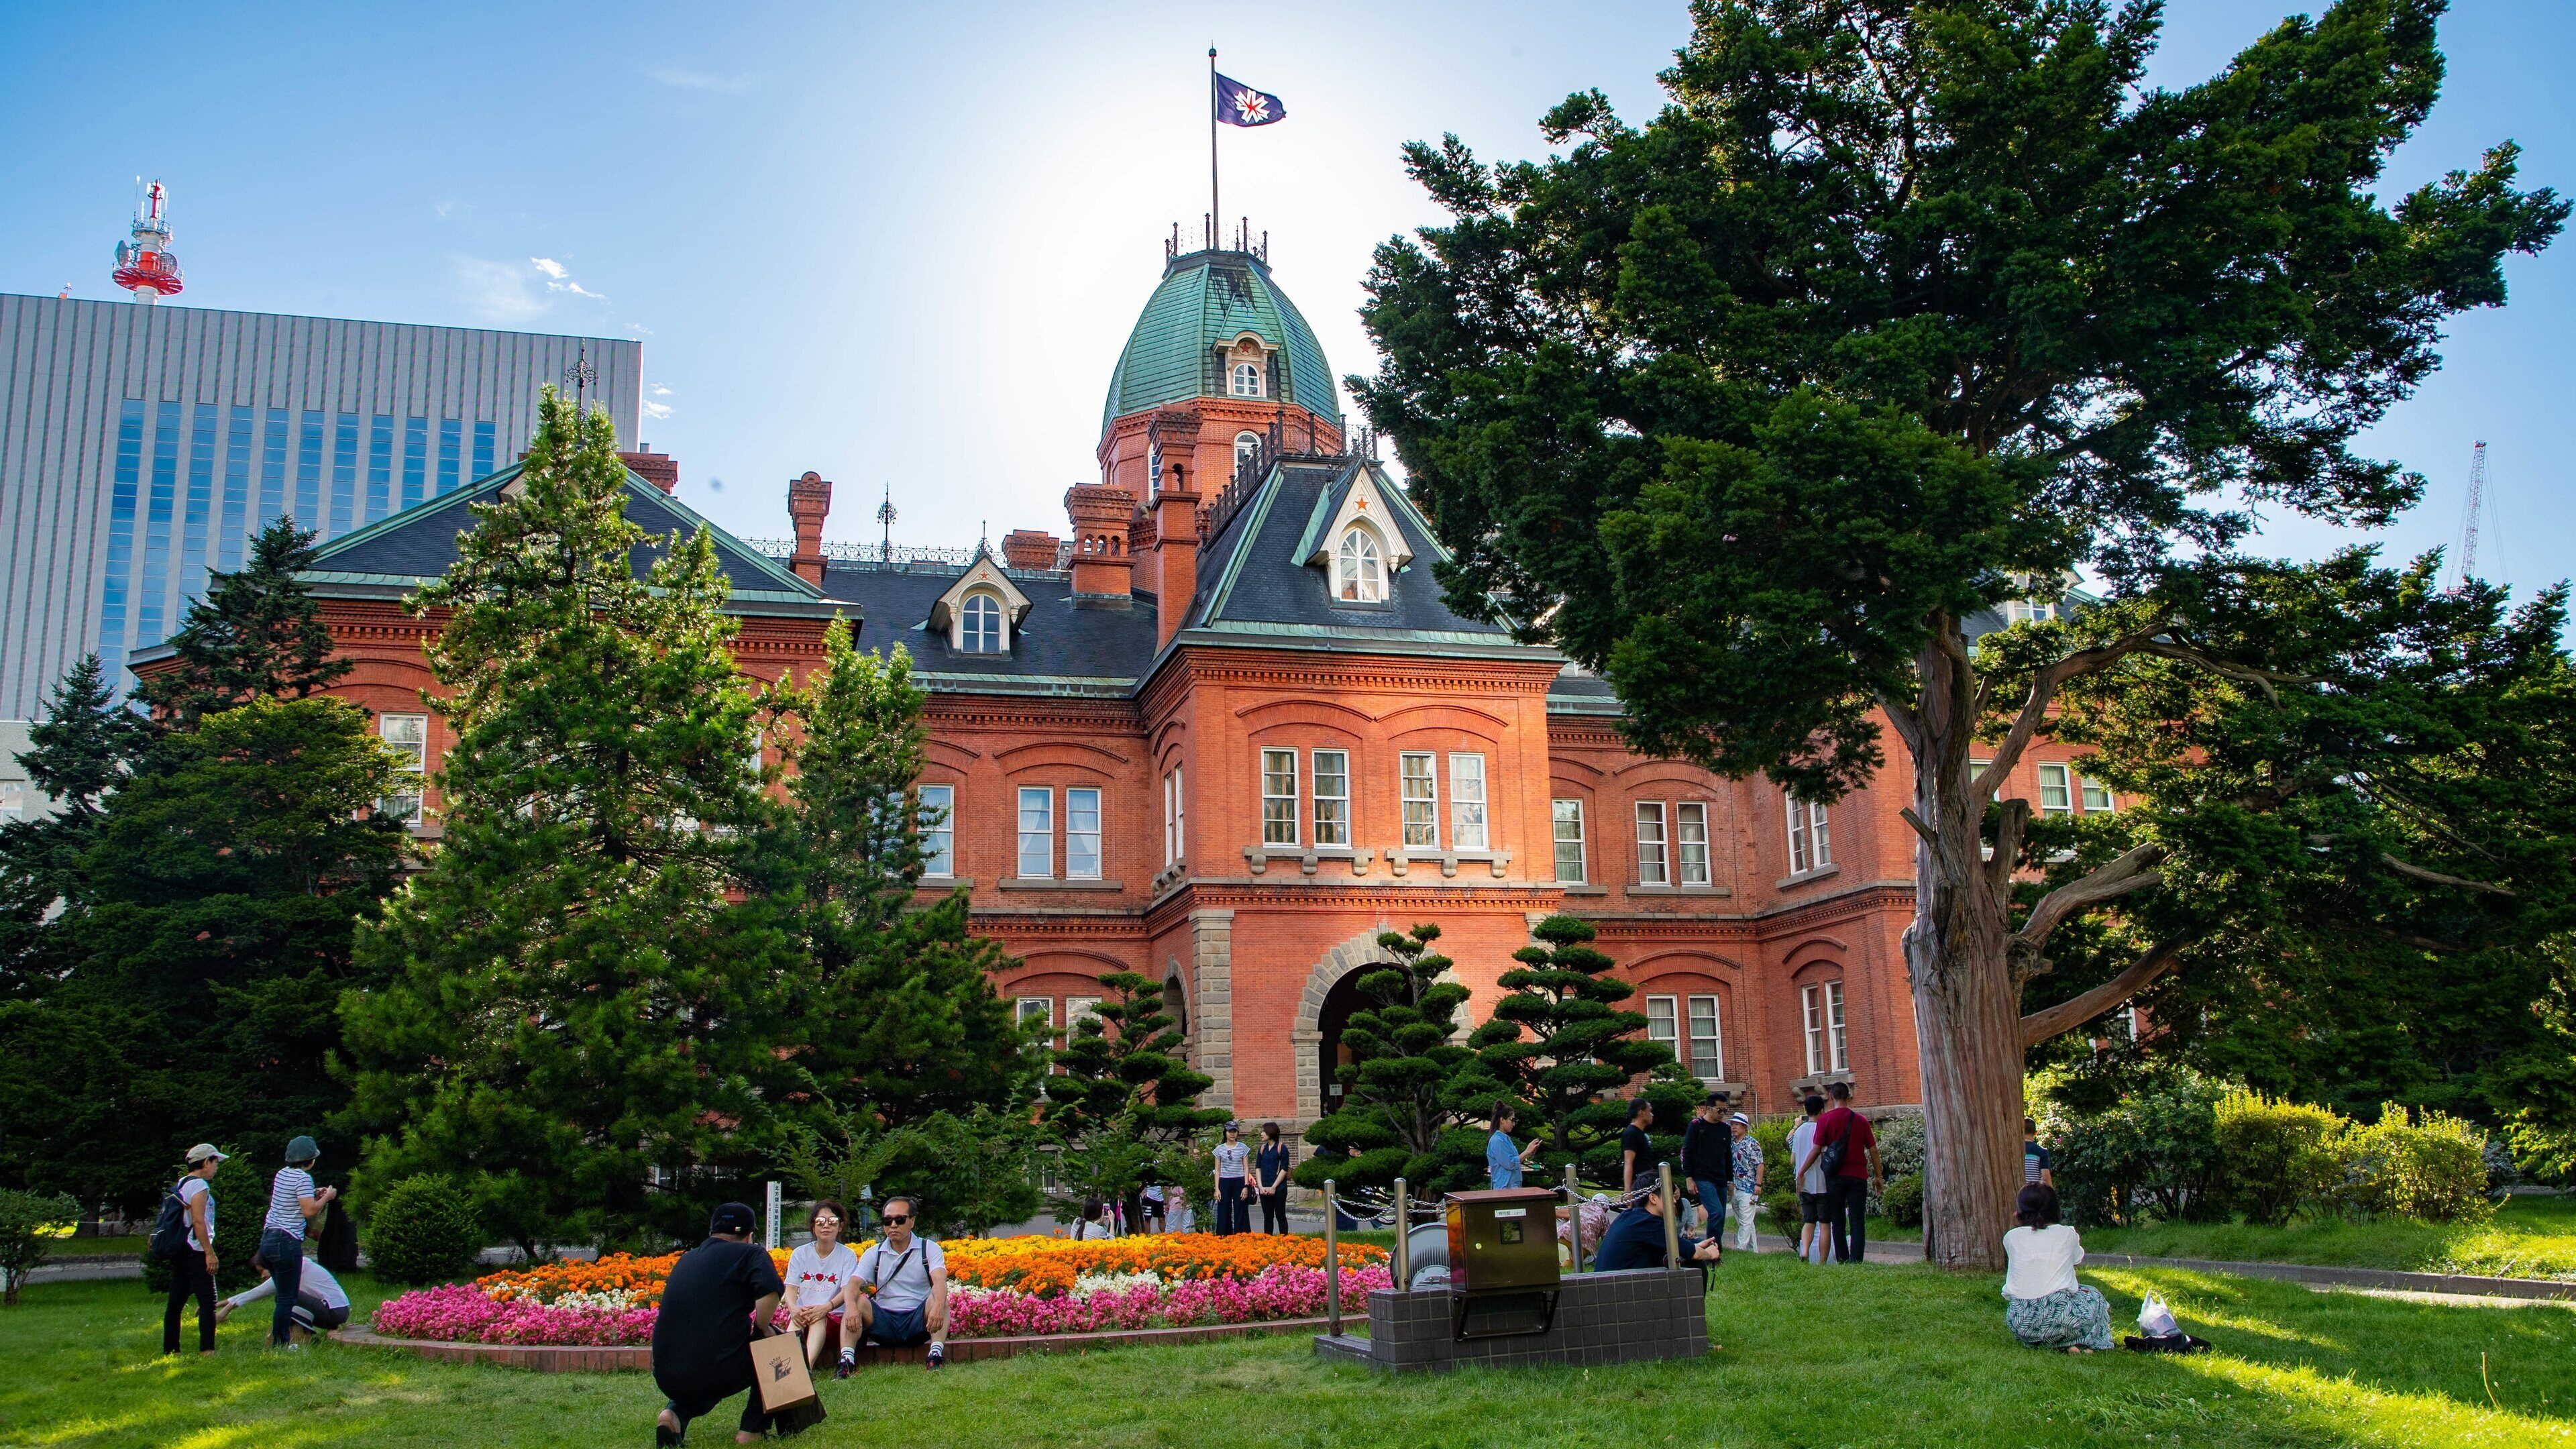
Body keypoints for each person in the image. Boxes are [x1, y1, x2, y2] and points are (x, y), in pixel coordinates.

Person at [652, 1202, 786, 1446]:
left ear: (712, 1231)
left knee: (706, 1365)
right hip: (715, 1370)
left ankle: (674, 1414)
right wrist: (761, 1328)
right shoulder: (751, 1253)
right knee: (778, 1346)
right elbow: (770, 1291)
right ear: (749, 1235)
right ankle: (752, 1430)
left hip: (667, 1376)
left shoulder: (687, 1259)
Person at [2002, 1183, 2114, 1353]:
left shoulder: (2011, 1238)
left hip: (2020, 1320)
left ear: (2019, 1214)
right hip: (2060, 1315)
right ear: (2055, 1210)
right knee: (2094, 1296)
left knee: (2042, 1320)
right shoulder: (2067, 1234)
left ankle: (2052, 1344)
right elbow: (2077, 1259)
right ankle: (2094, 1343)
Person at [845, 1193, 947, 1371]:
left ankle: (935, 1356)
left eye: (900, 1220)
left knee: (940, 1300)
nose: (893, 1225)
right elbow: (853, 1284)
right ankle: (846, 1361)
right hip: (884, 1320)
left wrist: (938, 1307)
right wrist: (852, 1308)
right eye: (887, 1221)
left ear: (912, 1221)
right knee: (857, 1301)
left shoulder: (929, 1248)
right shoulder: (874, 1253)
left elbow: (939, 1280)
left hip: (918, 1320)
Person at [258, 1136, 337, 1348]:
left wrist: (313, 1194)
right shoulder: (303, 1179)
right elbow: (309, 1210)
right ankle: (281, 1344)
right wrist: (327, 1196)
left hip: (268, 1239)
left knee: (281, 1295)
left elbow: (289, 1200)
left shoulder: (282, 1175)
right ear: (311, 1160)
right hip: (286, 1242)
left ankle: (278, 1338)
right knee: (287, 1297)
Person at [1799, 1082, 1881, 1263]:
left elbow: (1816, 1149)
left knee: (1837, 1219)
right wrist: (1878, 1176)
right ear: (1849, 1097)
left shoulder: (1825, 1120)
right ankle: (1856, 1259)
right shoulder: (1861, 1120)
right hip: (1858, 1175)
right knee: (1857, 1219)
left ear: (1831, 1097)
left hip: (1834, 1176)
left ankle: (1843, 1259)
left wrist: (1802, 1171)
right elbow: (1873, 1150)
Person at [162, 1143, 225, 1356]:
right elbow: (199, 1222)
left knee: (176, 1302)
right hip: (196, 1249)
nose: (216, 1167)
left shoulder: (183, 1183)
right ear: (206, 1162)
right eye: (216, 1162)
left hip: (182, 1248)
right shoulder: (199, 1186)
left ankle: (171, 1349)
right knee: (208, 1302)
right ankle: (207, 1350)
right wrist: (209, 1252)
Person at [1593, 1171, 1723, 1273]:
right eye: (1670, 1196)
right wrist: (1710, 1254)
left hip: (1608, 1287)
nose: (1674, 1201)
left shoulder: (1633, 1217)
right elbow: (1693, 1255)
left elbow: (1678, 1248)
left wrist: (1698, 1245)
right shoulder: (1649, 1222)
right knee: (1695, 1265)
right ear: (1653, 1199)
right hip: (1620, 1293)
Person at [785, 1200, 858, 1375]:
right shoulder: (800, 1253)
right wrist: (794, 1309)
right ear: (813, 1227)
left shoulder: (847, 1255)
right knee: (796, 1320)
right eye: (820, 1222)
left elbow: (847, 1290)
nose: (826, 1226)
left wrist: (826, 1307)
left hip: (833, 1318)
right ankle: (786, 1372)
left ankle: (805, 1371)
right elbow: (791, 1288)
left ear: (840, 1226)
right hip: (804, 1314)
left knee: (819, 1318)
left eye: (832, 1221)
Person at [217, 1253, 350, 1336]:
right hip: (334, 1312)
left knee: (284, 1295)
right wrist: (216, 1304)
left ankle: (291, 1333)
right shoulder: (294, 1264)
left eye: (263, 1270)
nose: (263, 1276)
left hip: (335, 1312)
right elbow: (258, 1291)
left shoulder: (294, 1267)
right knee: (285, 1295)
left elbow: (259, 1292)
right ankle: (295, 1331)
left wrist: (224, 1312)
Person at [1786, 1095, 1829, 1264]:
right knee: (1825, 1224)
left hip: (1803, 1184)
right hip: (1822, 1183)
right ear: (1822, 1110)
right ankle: (1823, 1261)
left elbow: (1792, 1160)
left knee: (1809, 1221)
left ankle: (1804, 1251)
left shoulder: (1800, 1131)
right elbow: (1824, 1154)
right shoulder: (1822, 1129)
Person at [1680, 1098, 1730, 1237]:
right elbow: (1687, 1152)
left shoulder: (1725, 1129)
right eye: (1719, 1110)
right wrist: (1689, 1177)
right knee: (1716, 1212)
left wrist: (1730, 1180)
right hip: (1703, 1177)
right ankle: (1711, 1249)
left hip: (1720, 1177)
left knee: (1721, 1218)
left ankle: (1716, 1251)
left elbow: (1727, 1155)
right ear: (1709, 1108)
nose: (1722, 1114)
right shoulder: (1696, 1125)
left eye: (1725, 1110)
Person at [1727, 1112, 1764, 1252]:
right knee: (1744, 1220)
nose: (1734, 1127)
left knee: (1746, 1219)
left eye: (1737, 1125)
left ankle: (1740, 1248)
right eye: (1732, 1124)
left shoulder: (1752, 1144)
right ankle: (1753, 1250)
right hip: (1734, 1186)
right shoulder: (1730, 1142)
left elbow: (1760, 1164)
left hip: (1749, 1187)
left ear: (1744, 1127)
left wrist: (1758, 1185)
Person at [1487, 1105, 1540, 1191]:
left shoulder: (1505, 1139)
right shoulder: (1497, 1141)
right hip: (1505, 1188)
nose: (1514, 1124)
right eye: (1512, 1120)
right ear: (1502, 1120)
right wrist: (1527, 1151)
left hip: (1511, 1187)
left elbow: (1515, 1162)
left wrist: (1529, 1152)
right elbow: (1510, 1164)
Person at [1212, 1122, 1250, 1236]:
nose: (1232, 1134)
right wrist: (1217, 1189)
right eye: (1230, 1132)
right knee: (1223, 1208)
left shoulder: (1243, 1147)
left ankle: (1242, 1234)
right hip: (1224, 1180)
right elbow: (1217, 1169)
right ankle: (1224, 1234)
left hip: (1239, 1180)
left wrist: (1246, 1186)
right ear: (1225, 1133)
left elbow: (1246, 1168)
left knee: (1241, 1207)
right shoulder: (1219, 1149)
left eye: (1234, 1131)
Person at [1254, 1122, 1293, 1234]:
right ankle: (1268, 1241)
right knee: (1268, 1217)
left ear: (1271, 1132)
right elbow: (1258, 1167)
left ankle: (1285, 1240)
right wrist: (1260, 1186)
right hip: (1264, 1186)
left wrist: (1274, 1187)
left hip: (1279, 1187)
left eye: (1263, 1132)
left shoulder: (1282, 1148)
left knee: (1280, 1215)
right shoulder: (1262, 1149)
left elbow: (1284, 1169)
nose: (1261, 1134)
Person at [1619, 1098, 1654, 1193]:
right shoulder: (1631, 1134)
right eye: (1649, 1111)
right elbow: (1628, 1161)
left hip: (1647, 1180)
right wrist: (1628, 1190)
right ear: (1641, 1112)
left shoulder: (1641, 1133)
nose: (1652, 1115)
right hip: (1639, 1183)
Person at [2024, 1118, 2055, 1187]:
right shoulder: (2041, 1151)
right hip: (2035, 1193)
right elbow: (2046, 1177)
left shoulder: (2013, 1151)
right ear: (2036, 1133)